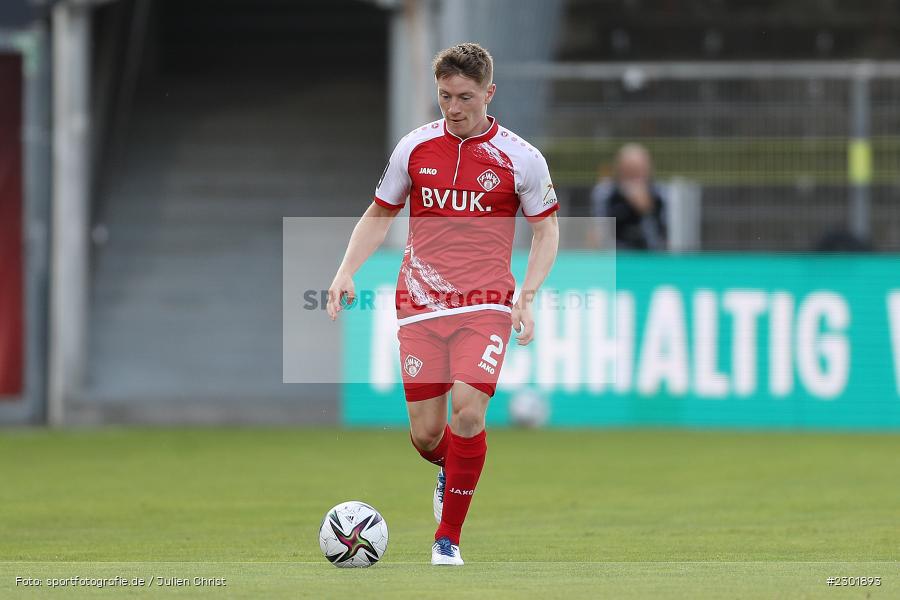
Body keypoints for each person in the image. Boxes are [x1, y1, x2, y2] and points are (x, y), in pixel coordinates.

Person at [326, 43, 559, 566]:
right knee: (427, 433)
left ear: (489, 93)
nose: (453, 108)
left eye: (465, 97)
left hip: (486, 304)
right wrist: (346, 269)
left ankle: (447, 539)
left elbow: (547, 232)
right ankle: (450, 471)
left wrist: (527, 295)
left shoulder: (521, 158)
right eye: (445, 96)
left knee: (469, 413)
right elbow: (380, 213)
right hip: (421, 304)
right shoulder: (414, 148)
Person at [591, 143, 667, 250]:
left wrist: (646, 210)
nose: (633, 176)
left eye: (638, 170)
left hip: (650, 256)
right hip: (617, 255)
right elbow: (600, 233)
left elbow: (662, 239)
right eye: (629, 170)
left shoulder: (659, 194)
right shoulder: (605, 193)